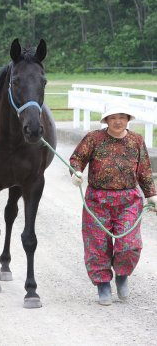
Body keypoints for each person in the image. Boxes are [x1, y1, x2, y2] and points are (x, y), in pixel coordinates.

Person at [69, 105, 157, 306]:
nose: (118, 121)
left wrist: (152, 195)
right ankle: (103, 285)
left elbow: (144, 170)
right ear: (106, 120)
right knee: (97, 244)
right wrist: (76, 172)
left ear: (128, 119)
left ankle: (122, 275)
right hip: (97, 200)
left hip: (129, 200)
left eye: (122, 117)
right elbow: (77, 159)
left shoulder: (136, 140)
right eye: (113, 117)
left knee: (130, 244)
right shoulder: (93, 138)